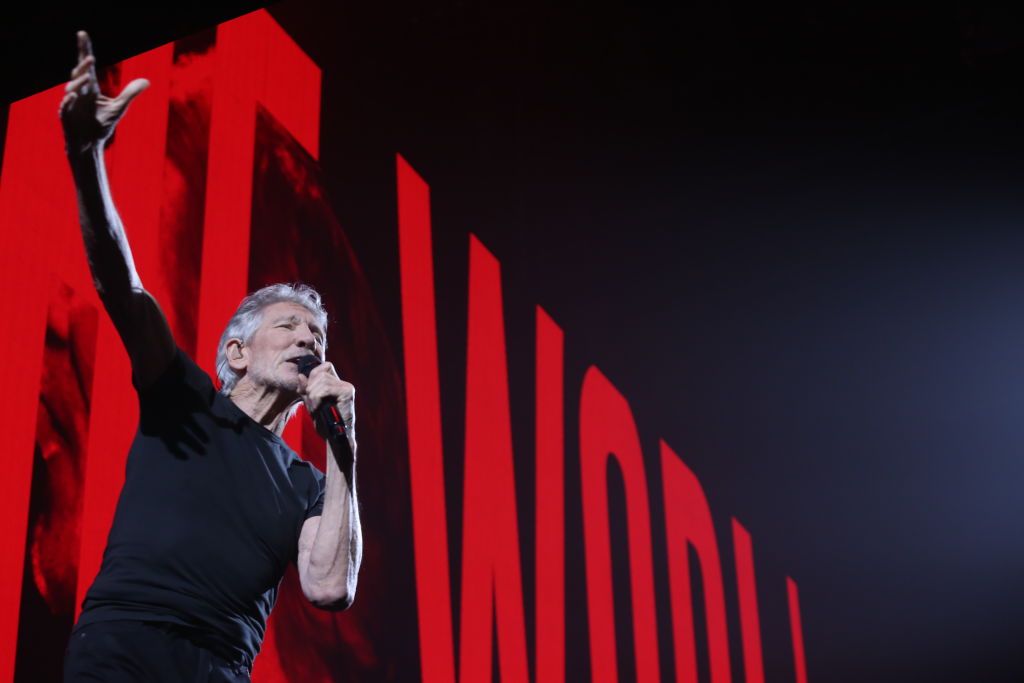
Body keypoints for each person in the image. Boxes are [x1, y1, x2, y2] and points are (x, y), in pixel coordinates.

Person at [59, 31, 362, 682]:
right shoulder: (182, 396)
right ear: (237, 350)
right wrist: (87, 159)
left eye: (317, 336)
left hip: (217, 670)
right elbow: (121, 283)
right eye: (289, 326)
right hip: (123, 644)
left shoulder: (309, 486)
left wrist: (343, 447)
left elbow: (329, 587)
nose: (308, 341)